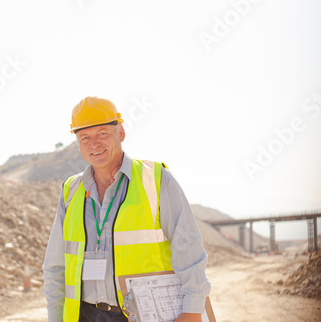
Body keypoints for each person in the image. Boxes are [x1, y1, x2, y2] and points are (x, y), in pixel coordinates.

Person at [43, 97, 211, 322]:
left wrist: (192, 310)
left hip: (142, 314)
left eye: (102, 133)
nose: (94, 143)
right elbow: (55, 265)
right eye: (85, 137)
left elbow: (188, 248)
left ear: (120, 133)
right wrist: (55, 316)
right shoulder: (71, 191)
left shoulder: (156, 180)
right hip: (84, 315)